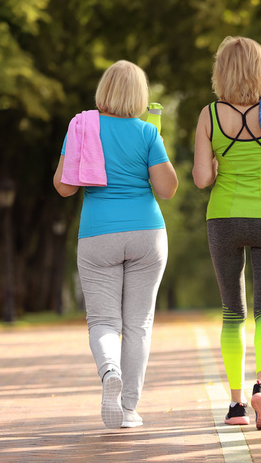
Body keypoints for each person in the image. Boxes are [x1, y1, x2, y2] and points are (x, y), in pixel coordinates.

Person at [53, 60, 178, 429]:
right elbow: (168, 189)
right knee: (138, 325)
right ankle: (129, 409)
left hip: (98, 234)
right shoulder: (147, 133)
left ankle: (110, 372)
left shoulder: (80, 127)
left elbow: (63, 186)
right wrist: (155, 142)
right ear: (140, 95)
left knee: (104, 321)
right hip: (147, 233)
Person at [193, 36, 261, 430]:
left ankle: (237, 406)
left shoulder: (209, 114)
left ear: (221, 71)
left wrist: (225, 163)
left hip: (223, 218)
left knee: (231, 312)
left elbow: (203, 178)